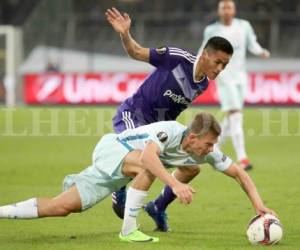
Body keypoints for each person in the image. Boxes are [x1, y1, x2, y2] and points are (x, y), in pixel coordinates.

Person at [0, 113, 277, 243]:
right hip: (113, 149)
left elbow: (239, 173)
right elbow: (147, 157)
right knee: (150, 165)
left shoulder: (204, 153)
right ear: (192, 138)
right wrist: (175, 184)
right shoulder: (169, 130)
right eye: (208, 144)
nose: (211, 149)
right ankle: (128, 230)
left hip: (121, 168)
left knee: (61, 207)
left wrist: (258, 205)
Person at [105, 7, 233, 222]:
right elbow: (136, 52)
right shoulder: (175, 58)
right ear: (205, 55)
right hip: (133, 116)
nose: (220, 68)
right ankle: (119, 185)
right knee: (144, 160)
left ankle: (157, 206)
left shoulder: (202, 84)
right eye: (218, 62)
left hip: (160, 130)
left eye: (225, 65)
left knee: (192, 168)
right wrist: (125, 33)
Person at [198, 0, 270, 171]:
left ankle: (213, 147)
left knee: (232, 119)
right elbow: (204, 50)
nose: (226, 10)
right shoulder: (212, 30)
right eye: (223, 7)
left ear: (234, 10)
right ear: (219, 11)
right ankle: (243, 158)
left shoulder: (244, 26)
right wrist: (197, 65)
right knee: (236, 115)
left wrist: (261, 52)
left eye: (229, 7)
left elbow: (252, 44)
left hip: (240, 77)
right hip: (223, 77)